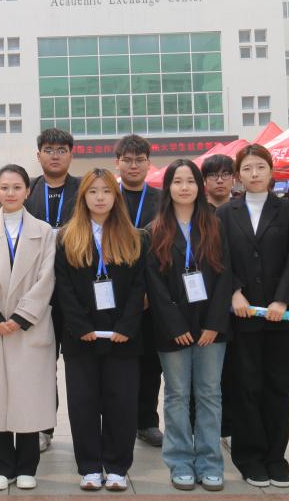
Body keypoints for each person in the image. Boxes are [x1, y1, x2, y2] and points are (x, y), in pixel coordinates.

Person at [217, 145, 289, 488]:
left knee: (279, 387)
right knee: (246, 386)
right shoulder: (226, 212)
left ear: (271, 171)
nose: (254, 174)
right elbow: (220, 257)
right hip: (242, 316)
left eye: (260, 167)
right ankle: (250, 457)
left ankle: (275, 457)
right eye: (247, 168)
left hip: (280, 317)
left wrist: (282, 299)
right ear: (238, 175)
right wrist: (234, 292)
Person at [55, 168, 147, 492]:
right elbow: (63, 287)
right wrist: (80, 325)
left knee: (122, 403)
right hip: (81, 337)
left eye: (106, 191)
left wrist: (126, 326)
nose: (99, 197)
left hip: (123, 337)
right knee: (83, 404)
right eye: (93, 191)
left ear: (116, 197)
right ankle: (90, 467)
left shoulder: (135, 237)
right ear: (83, 197)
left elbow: (139, 287)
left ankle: (118, 467)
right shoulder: (67, 237)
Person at [0, 164, 56, 491]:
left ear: (27, 191)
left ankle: (28, 466)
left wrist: (20, 317)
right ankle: (1, 467)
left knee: (28, 398)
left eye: (17, 187)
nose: (11, 193)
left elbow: (47, 278)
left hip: (29, 327)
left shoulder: (45, 232)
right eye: (4, 187)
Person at [145, 159, 232, 492]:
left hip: (211, 327)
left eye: (190, 181)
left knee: (210, 394)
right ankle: (180, 461)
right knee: (177, 395)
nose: (184, 187)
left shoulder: (215, 225)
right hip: (173, 329)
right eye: (177, 181)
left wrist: (214, 323)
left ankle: (210, 463)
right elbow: (154, 285)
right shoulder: (155, 230)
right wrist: (174, 325)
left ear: (200, 186)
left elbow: (226, 276)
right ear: (168, 187)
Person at [25, 128, 78, 453]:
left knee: (77, 363)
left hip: (76, 291)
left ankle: (85, 428)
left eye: (61, 150)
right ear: (39, 155)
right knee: (41, 362)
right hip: (37, 291)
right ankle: (42, 426)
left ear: (71, 154)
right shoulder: (28, 189)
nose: (55, 155)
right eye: (48, 149)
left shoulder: (84, 189)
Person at [113, 134, 164, 449]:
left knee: (149, 364)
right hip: (112, 294)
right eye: (127, 160)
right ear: (117, 163)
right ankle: (117, 421)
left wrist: (149, 292)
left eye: (139, 160)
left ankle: (146, 421)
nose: (133, 166)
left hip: (151, 296)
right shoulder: (106, 196)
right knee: (116, 364)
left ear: (148, 163)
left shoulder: (162, 200)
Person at [199, 154, 236, 443]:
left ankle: (230, 425)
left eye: (225, 174)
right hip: (204, 306)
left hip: (241, 305)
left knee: (234, 371)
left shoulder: (241, 210)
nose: (220, 180)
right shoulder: (198, 213)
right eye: (213, 175)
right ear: (205, 181)